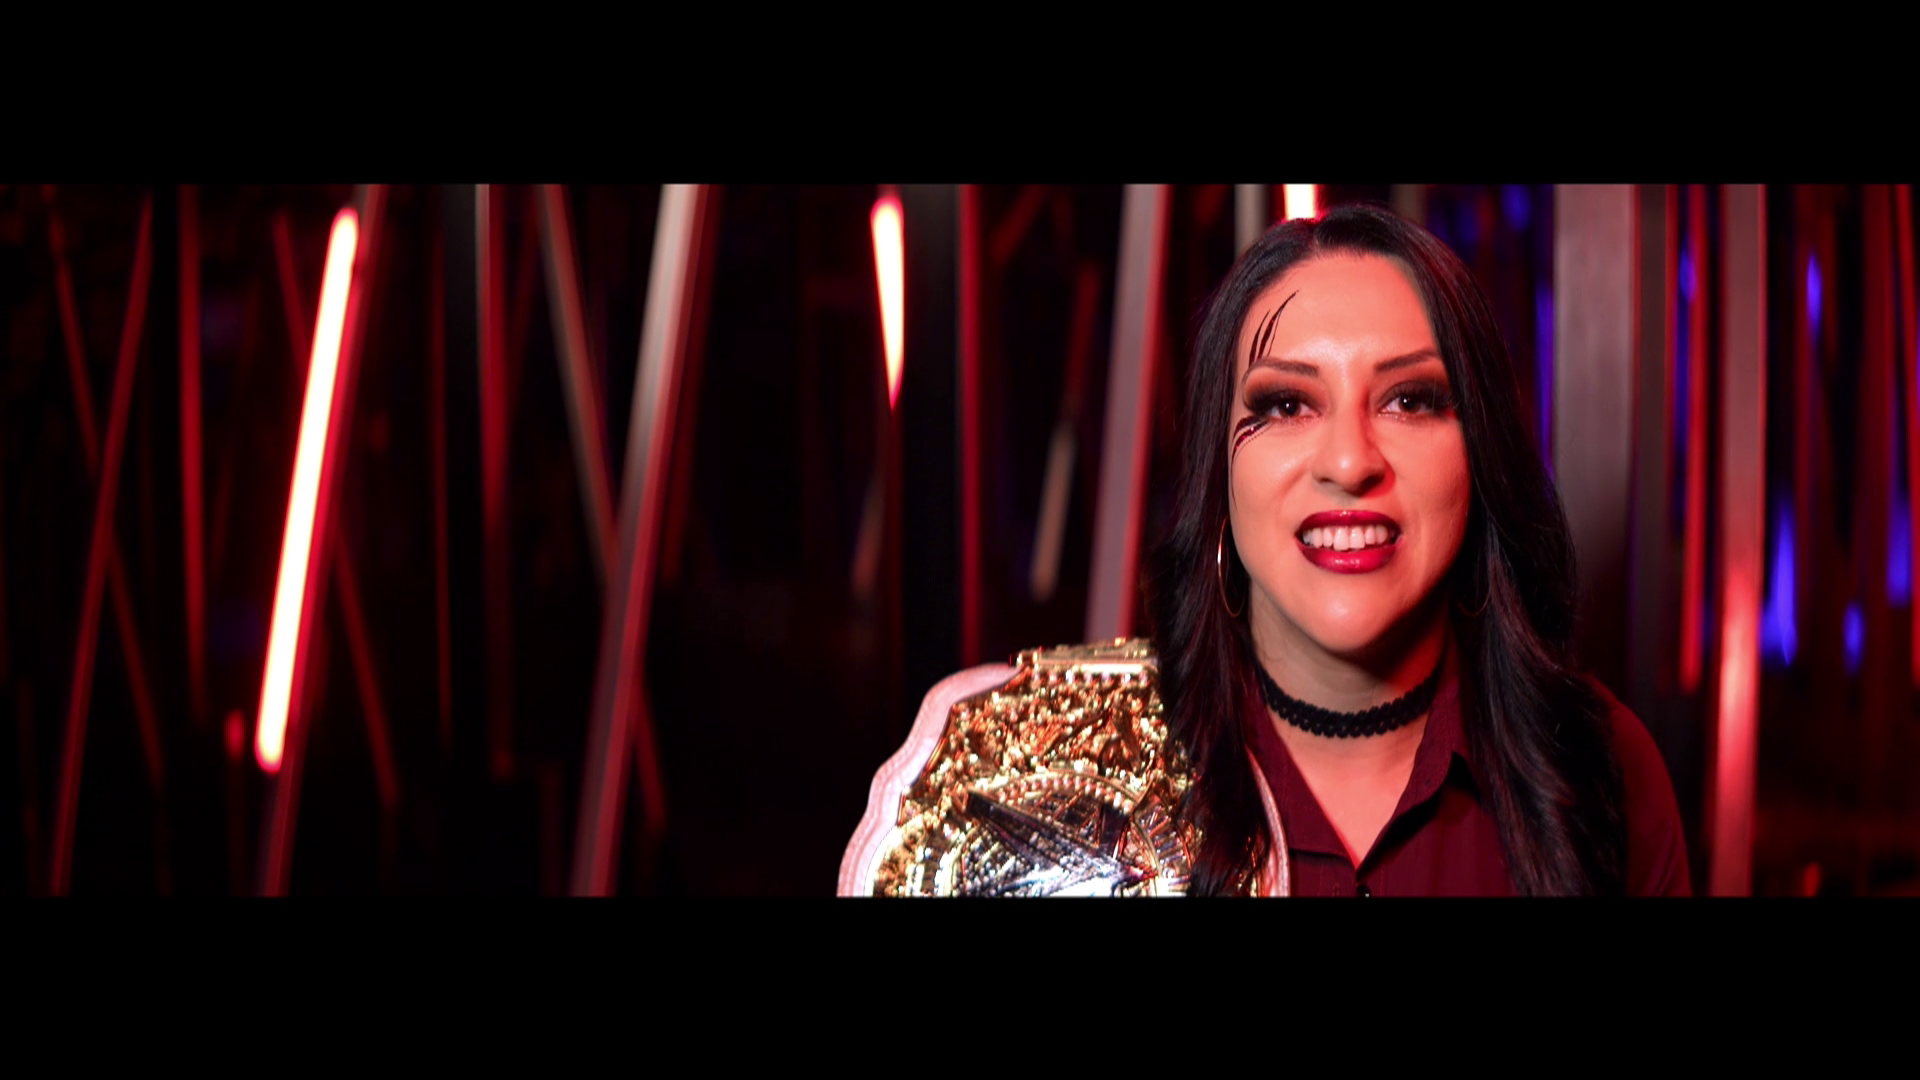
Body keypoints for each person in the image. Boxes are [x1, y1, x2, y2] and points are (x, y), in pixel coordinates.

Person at [839, 203, 1690, 897]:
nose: (1350, 462)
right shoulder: (1041, 780)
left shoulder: (1598, 767)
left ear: (1480, 456)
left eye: (1410, 399)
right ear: (1219, 474)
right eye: (1285, 406)